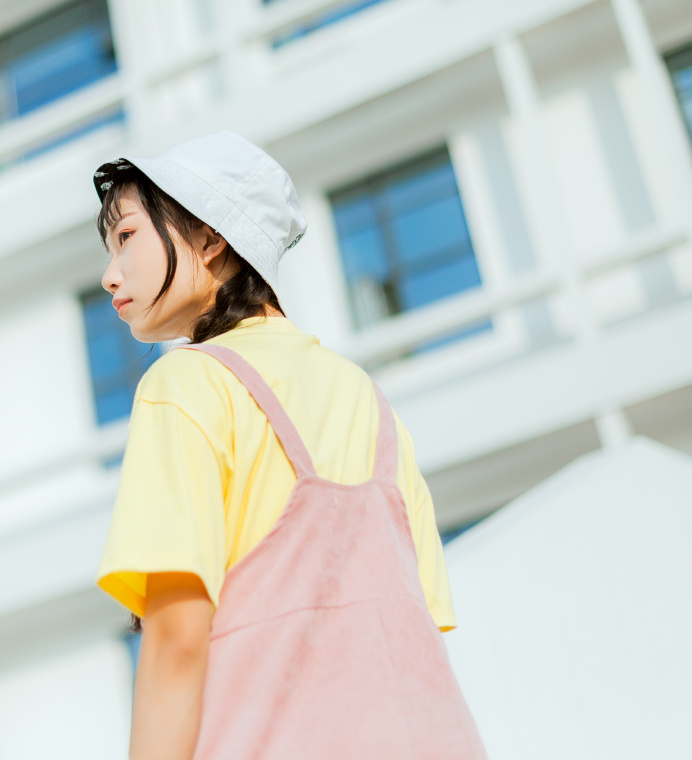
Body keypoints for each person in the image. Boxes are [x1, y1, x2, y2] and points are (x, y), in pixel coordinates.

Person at [92, 132, 486, 760]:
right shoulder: (371, 403)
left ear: (209, 237)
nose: (110, 274)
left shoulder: (185, 383)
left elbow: (178, 639)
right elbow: (420, 626)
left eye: (127, 236)